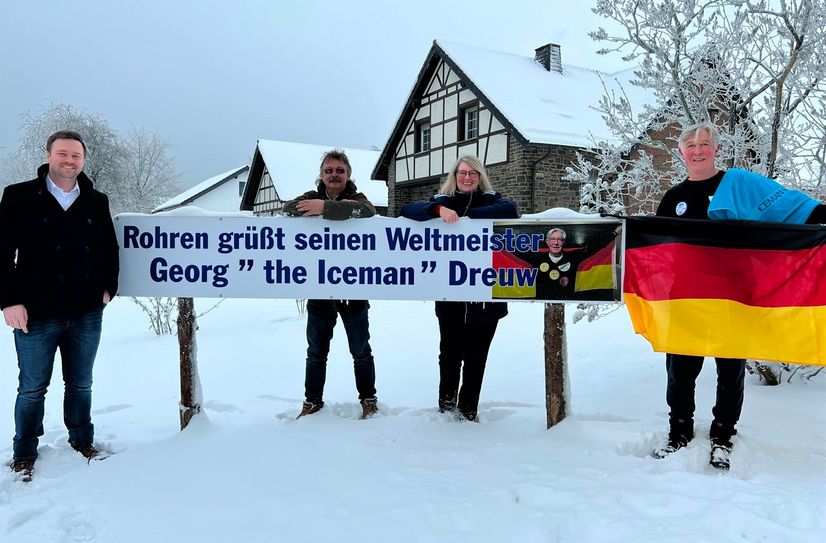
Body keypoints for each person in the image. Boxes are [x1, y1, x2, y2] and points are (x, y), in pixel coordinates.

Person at [653, 121, 825, 470]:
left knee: (729, 369)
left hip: (733, 296)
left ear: (716, 149)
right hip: (686, 298)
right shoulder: (673, 198)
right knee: (681, 370)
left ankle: (723, 435)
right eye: (690, 145)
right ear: (681, 152)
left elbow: (792, 207)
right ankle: (679, 431)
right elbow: (657, 248)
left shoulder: (741, 185)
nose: (698, 150)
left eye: (704, 144)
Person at [0, 130, 119, 481]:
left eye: (76, 156)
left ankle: (82, 440)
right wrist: (9, 301)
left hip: (85, 310)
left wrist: (108, 290)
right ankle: (24, 451)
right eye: (63, 154)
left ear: (83, 159)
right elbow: (3, 252)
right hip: (36, 310)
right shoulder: (19, 196)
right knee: (33, 386)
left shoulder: (96, 200)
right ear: (49, 154)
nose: (70, 161)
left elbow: (108, 249)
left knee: (81, 382)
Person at [399, 155, 518, 421]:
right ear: (454, 175)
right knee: (450, 356)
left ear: (480, 177)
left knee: (477, 359)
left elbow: (511, 210)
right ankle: (446, 406)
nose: (467, 178)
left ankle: (468, 411)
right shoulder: (442, 201)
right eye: (462, 173)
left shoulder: (493, 200)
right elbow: (408, 209)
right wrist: (439, 211)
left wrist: (466, 217)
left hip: (486, 299)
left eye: (473, 173)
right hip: (450, 298)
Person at [282, 149, 379, 420]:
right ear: (322, 175)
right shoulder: (310, 197)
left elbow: (367, 211)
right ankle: (312, 401)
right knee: (315, 352)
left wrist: (325, 209)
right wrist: (316, 205)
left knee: (361, 350)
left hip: (352, 289)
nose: (334, 175)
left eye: (339, 170)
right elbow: (288, 208)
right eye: (329, 170)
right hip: (320, 287)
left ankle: (369, 400)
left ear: (348, 175)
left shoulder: (357, 199)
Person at [532, 227, 578, 300]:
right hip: (541, 300)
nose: (556, 243)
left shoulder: (574, 259)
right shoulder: (537, 259)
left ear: (564, 242)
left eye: (560, 240)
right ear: (547, 241)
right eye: (552, 239)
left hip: (568, 300)